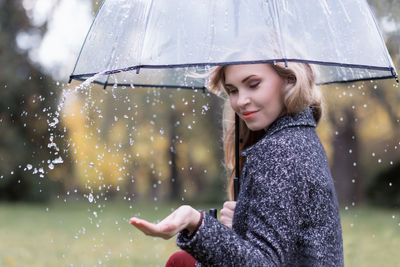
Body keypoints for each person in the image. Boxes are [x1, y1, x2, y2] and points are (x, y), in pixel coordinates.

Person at [130, 61, 344, 266]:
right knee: (182, 262)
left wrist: (196, 222)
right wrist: (242, 226)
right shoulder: (301, 138)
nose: (241, 101)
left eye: (253, 84)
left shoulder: (279, 150)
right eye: (232, 90)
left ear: (289, 80)